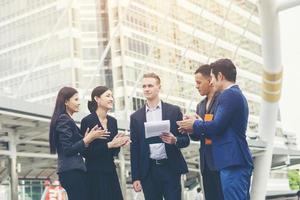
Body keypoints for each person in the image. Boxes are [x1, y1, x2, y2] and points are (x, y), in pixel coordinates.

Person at [177, 58, 253, 200]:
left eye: (212, 77)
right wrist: (195, 126)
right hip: (230, 160)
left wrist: (195, 124)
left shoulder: (229, 95)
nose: (211, 81)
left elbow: (217, 126)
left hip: (232, 160)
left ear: (220, 76)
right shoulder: (233, 95)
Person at [130, 72, 190, 200]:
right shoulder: (136, 117)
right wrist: (135, 177)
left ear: (159, 87)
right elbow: (134, 149)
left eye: (150, 85)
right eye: (144, 86)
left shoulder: (174, 111)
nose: (146, 89)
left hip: (170, 168)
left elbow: (185, 140)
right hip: (148, 171)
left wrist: (175, 140)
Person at [49, 87, 108, 200]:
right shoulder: (64, 119)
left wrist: (86, 139)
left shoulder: (67, 120)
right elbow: (68, 149)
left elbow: (74, 147)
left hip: (73, 170)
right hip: (71, 171)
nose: (79, 103)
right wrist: (87, 139)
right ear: (66, 102)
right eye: (76, 99)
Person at [81, 86, 131, 200]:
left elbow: (113, 152)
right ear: (97, 99)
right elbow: (85, 152)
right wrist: (110, 145)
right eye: (108, 96)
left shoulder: (113, 121)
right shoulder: (87, 121)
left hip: (110, 171)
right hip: (94, 174)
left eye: (112, 96)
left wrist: (119, 143)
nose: (111, 99)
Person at [191, 64, 223, 200]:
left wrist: (198, 124)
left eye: (199, 82)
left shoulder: (223, 99)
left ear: (210, 80)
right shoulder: (200, 106)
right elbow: (197, 136)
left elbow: (219, 127)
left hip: (221, 159)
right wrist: (190, 127)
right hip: (206, 162)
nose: (196, 86)